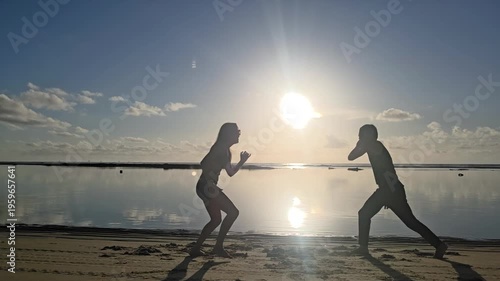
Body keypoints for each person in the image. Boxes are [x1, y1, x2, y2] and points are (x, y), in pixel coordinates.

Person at [348, 124, 448, 258]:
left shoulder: (375, 145)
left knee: (365, 214)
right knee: (409, 221)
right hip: (390, 189)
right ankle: (439, 245)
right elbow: (351, 157)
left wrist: (360, 145)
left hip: (390, 189)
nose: (359, 136)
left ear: (370, 135)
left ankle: (363, 248)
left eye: (361, 134)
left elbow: (352, 156)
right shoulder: (371, 146)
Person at [189, 123, 251, 258]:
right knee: (233, 212)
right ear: (229, 134)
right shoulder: (220, 148)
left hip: (206, 187)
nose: (239, 134)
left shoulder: (226, 151)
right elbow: (203, 163)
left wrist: (241, 162)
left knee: (216, 219)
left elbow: (230, 173)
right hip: (206, 187)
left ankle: (196, 249)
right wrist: (210, 181)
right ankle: (217, 247)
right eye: (236, 132)